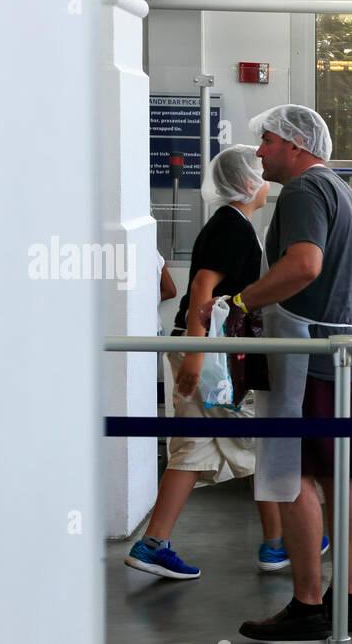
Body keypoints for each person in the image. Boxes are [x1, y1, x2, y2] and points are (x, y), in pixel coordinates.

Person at [202, 105, 352, 642]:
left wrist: (241, 300)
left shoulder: (303, 192)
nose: (259, 153)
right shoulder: (343, 193)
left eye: (268, 141)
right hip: (351, 360)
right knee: (341, 477)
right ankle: (341, 602)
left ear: (298, 145)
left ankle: (308, 603)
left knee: (294, 474)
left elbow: (304, 265)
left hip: (311, 364)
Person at [125, 146, 296, 579]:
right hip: (212, 353)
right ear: (246, 183)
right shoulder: (232, 228)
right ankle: (279, 543)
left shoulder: (232, 225)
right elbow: (203, 286)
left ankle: (154, 544)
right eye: (259, 171)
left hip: (202, 347)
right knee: (262, 440)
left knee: (195, 448)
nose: (266, 175)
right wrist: (198, 360)